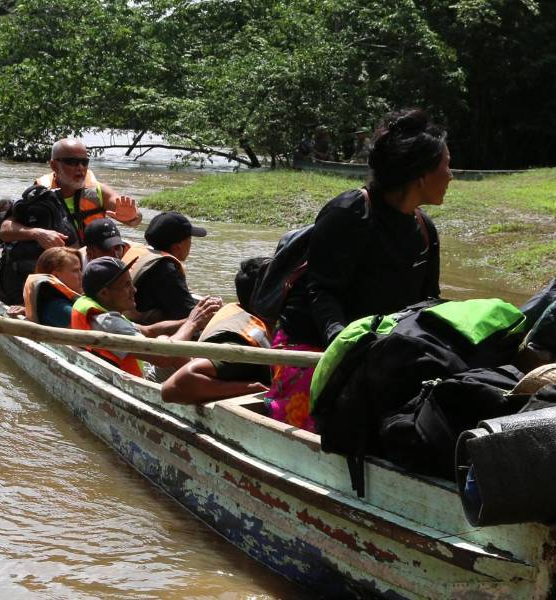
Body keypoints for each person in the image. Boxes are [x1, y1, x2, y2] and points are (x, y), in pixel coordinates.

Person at [268, 108, 450, 431]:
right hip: (314, 343)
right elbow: (321, 291)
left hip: (377, 350)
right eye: (446, 166)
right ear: (421, 175)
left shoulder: (425, 229)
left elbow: (428, 302)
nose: (451, 176)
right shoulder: (349, 213)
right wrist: (341, 345)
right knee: (329, 426)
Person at [70, 257, 220, 381]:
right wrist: (192, 323)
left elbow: (148, 331)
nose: (134, 290)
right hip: (139, 383)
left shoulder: (104, 309)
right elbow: (164, 357)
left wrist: (198, 318)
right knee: (168, 345)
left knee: (165, 339)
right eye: (126, 285)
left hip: (140, 372)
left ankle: (207, 381)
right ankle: (210, 387)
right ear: (104, 293)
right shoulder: (108, 323)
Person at [160, 257, 273, 405]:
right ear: (267, 300)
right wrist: (251, 389)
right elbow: (174, 387)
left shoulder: (246, 314)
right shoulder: (240, 342)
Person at [2, 139, 142, 248]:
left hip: (94, 260)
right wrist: (37, 233)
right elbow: (5, 229)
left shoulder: (99, 191)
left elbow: (135, 218)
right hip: (61, 263)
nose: (80, 168)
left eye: (84, 162)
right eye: (72, 162)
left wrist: (132, 216)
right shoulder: (38, 195)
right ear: (54, 166)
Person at [121, 211, 210, 323]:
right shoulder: (165, 269)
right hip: (142, 328)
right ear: (178, 247)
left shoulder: (142, 254)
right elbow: (189, 315)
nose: (191, 244)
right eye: (190, 239)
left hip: (126, 317)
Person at [22, 247, 83, 328]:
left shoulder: (50, 302)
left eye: (80, 270)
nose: (81, 275)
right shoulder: (57, 307)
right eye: (75, 271)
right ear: (56, 276)